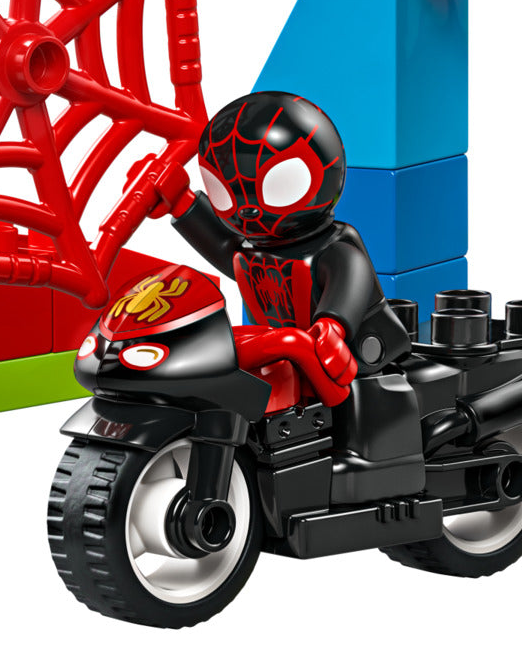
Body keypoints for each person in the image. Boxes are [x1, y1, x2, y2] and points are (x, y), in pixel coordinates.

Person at [139, 90, 425, 503]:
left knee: (366, 402)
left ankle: (375, 475)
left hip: (359, 354)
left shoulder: (336, 246)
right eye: (228, 191)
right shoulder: (251, 248)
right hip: (289, 352)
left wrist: (332, 325)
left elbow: (349, 281)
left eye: (278, 185)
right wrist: (182, 205)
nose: (249, 209)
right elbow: (222, 247)